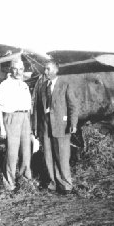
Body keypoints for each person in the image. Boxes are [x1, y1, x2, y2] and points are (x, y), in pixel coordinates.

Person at [32, 61, 79, 195]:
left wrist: (73, 124)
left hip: (61, 125)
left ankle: (66, 185)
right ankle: (53, 183)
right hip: (45, 125)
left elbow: (73, 106)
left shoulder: (65, 84)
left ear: (56, 70)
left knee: (62, 156)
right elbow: (36, 109)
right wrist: (35, 127)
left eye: (47, 69)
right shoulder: (41, 87)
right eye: (45, 69)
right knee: (48, 155)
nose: (45, 72)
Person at [0, 58, 35, 191]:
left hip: (25, 117)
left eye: (21, 69)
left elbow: (29, 106)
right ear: (10, 69)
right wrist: (2, 128)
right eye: (15, 69)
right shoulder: (4, 85)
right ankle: (9, 183)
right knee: (12, 153)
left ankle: (25, 180)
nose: (18, 72)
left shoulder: (23, 85)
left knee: (26, 150)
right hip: (11, 118)